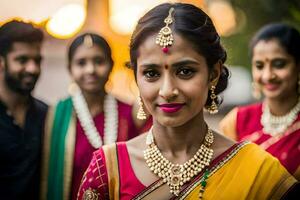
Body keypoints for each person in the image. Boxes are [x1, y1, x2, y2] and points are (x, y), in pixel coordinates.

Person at [77, 3, 298, 200]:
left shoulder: (256, 169)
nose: (167, 91)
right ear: (136, 76)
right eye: (151, 73)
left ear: (213, 74)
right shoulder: (108, 168)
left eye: (185, 71)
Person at [41, 33, 151, 200]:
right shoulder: (55, 115)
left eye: (99, 61)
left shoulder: (131, 113)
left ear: (111, 65)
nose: (90, 70)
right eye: (81, 63)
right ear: (70, 68)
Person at [220, 23, 300, 180]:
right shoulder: (236, 121)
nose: (267, 75)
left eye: (279, 64)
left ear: (298, 67)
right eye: (259, 65)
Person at [0, 20, 48, 199]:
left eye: (37, 60)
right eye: (22, 60)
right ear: (1, 61)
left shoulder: (47, 115)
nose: (32, 68)